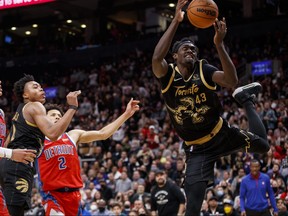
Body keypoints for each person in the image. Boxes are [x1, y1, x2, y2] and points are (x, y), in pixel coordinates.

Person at [151, 0, 270, 215]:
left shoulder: (203, 69)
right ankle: (245, 100)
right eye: (185, 49)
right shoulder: (167, 74)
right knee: (193, 208)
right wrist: (176, 22)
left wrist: (219, 45)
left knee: (263, 146)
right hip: (197, 149)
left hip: (220, 134)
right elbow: (156, 57)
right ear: (174, 56)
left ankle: (246, 101)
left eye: (193, 49)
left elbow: (231, 81)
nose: (191, 51)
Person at [36, 98, 139, 215]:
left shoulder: (72, 135)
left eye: (59, 115)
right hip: (52, 194)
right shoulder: (38, 140)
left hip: (73, 195)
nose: (57, 117)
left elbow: (103, 134)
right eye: (53, 115)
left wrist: (126, 115)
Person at [0, 74, 81, 216]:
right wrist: (72, 107)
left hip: (9, 165)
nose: (41, 89)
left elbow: (7, 142)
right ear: (25, 94)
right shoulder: (34, 106)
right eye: (35, 87)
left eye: (41, 87)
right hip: (18, 165)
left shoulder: (20, 111)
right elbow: (53, 133)